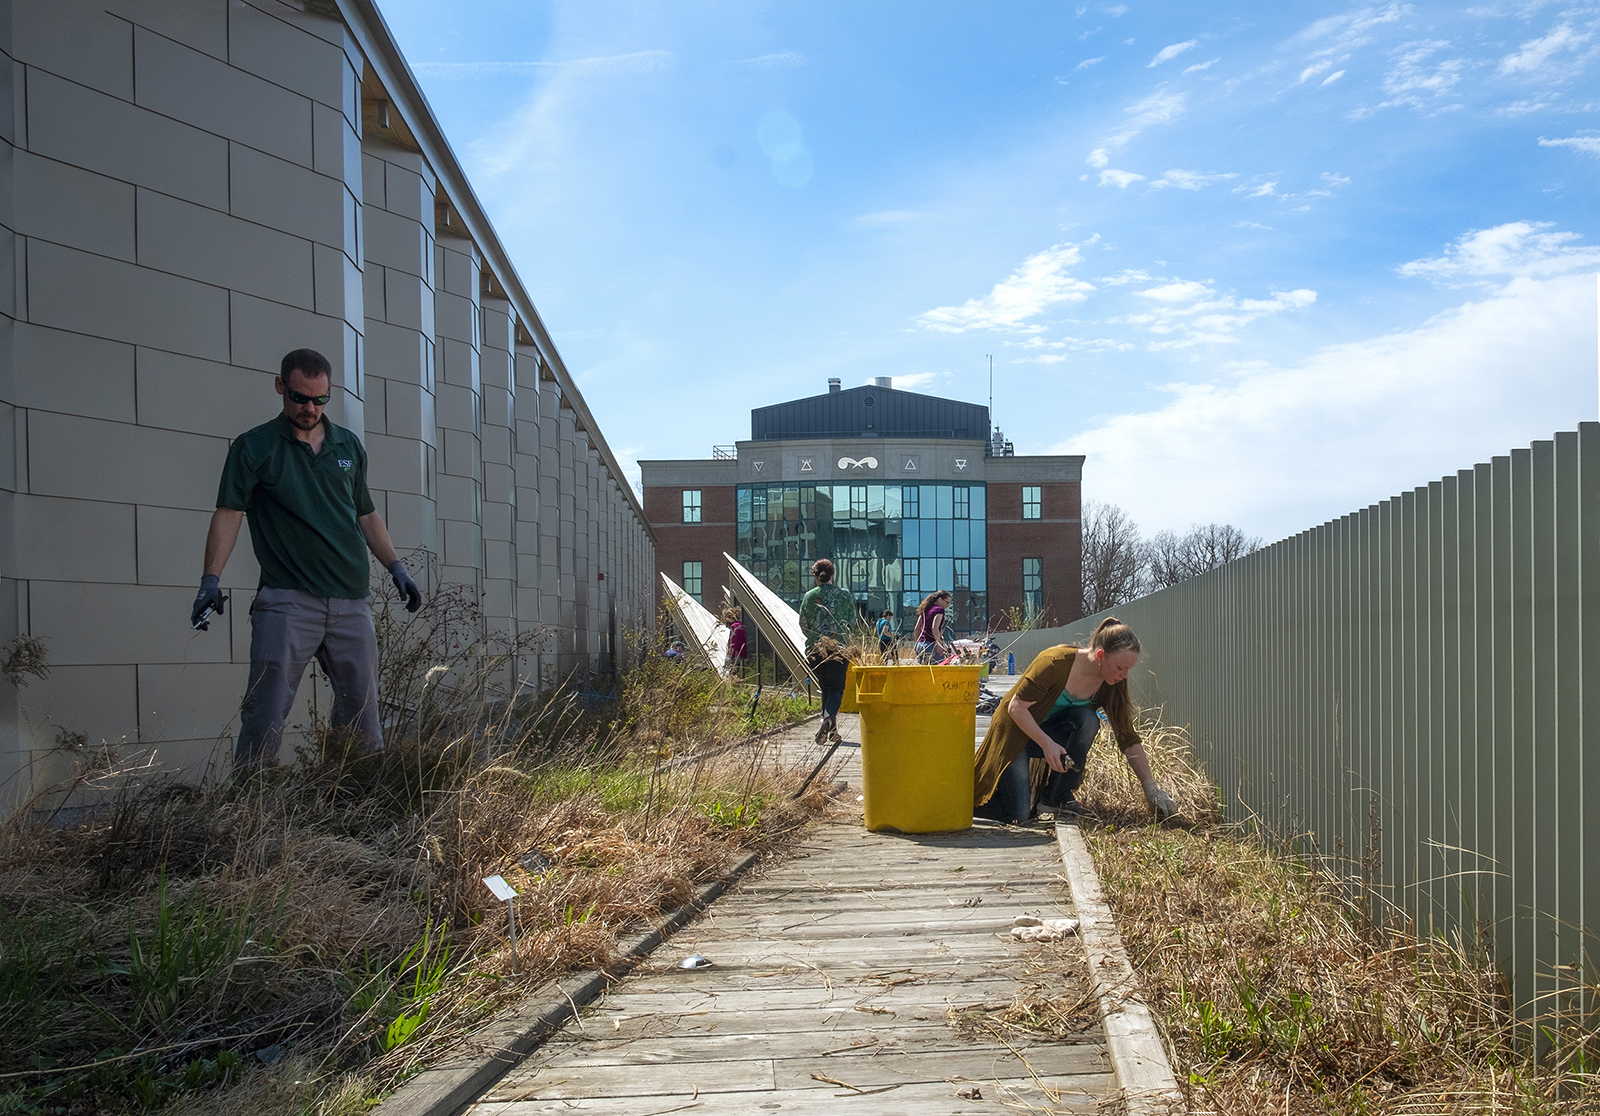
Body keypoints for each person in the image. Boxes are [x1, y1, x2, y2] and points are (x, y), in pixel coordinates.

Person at [191, 349, 423, 776]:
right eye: (300, 398)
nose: (309, 409)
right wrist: (210, 579)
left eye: (320, 400)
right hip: (287, 600)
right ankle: (252, 805)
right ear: (281, 387)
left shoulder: (347, 446)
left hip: (352, 601)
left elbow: (366, 514)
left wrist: (397, 569)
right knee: (265, 713)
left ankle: (350, 806)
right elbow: (229, 513)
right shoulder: (254, 447)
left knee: (363, 719)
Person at [973, 616, 1177, 825]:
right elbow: (1015, 708)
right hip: (1015, 732)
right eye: (1120, 667)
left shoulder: (1111, 683)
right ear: (1100, 655)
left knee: (1087, 720)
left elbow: (1127, 736)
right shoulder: (1054, 662)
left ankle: (1056, 798)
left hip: (1046, 736)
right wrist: (1046, 744)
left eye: (1129, 669)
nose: (1124, 675)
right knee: (1018, 815)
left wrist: (1150, 787)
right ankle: (977, 797)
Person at [798, 558, 857, 745]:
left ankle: (831, 732)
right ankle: (828, 719)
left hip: (815, 649)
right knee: (837, 689)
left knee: (825, 688)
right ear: (833, 574)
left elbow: (803, 624)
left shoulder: (809, 596)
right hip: (838, 648)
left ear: (815, 576)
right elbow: (853, 623)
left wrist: (816, 636)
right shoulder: (845, 595)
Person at [912, 590, 952, 663]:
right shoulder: (940, 610)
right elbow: (934, 627)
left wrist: (916, 644)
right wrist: (939, 644)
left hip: (920, 645)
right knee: (937, 672)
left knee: (925, 672)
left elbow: (916, 628)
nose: (948, 605)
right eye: (947, 602)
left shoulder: (925, 609)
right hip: (931, 645)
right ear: (940, 599)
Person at [722, 608, 747, 673]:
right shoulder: (740, 625)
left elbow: (733, 643)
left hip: (735, 654)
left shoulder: (734, 626)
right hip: (741, 653)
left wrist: (729, 655)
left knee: (731, 672)